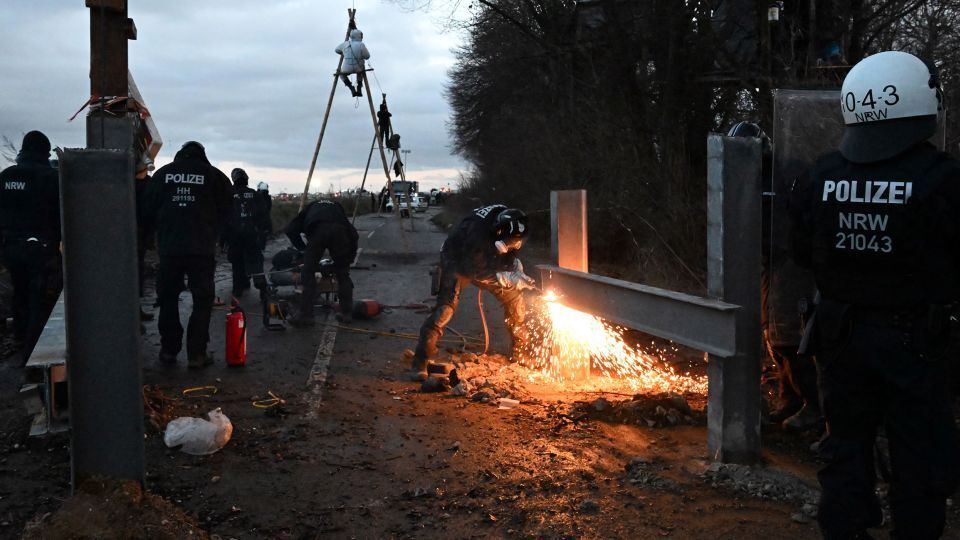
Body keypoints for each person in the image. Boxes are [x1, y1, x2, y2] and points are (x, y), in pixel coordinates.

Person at [789, 51, 960, 538]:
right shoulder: (942, 178)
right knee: (919, 458)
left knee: (844, 450)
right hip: (915, 343)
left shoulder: (822, 174)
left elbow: (803, 254)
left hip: (839, 337)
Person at [728, 121, 821, 431]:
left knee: (787, 334)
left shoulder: (789, 172)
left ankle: (814, 405)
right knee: (769, 330)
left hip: (792, 259)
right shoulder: (743, 174)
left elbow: (807, 216)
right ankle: (790, 397)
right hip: (768, 259)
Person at [410, 205, 535, 379]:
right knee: (444, 311)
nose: (515, 246)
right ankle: (420, 362)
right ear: (498, 234)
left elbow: (508, 253)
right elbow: (474, 271)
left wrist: (515, 268)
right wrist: (505, 278)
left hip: (486, 259)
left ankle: (520, 355)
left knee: (516, 303)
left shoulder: (509, 221)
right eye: (510, 243)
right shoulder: (477, 235)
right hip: (457, 261)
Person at [144, 141, 232, 368]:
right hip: (201, 250)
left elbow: (146, 210)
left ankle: (168, 351)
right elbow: (228, 211)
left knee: (168, 299)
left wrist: (153, 237)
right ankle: (197, 355)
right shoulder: (215, 177)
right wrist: (218, 235)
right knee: (202, 301)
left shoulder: (162, 175)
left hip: (170, 250)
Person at [0, 131, 62, 359]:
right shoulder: (50, 177)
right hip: (40, 248)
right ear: (44, 152)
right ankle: (33, 351)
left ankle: (19, 336)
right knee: (40, 298)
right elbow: (60, 214)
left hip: (10, 247)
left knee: (19, 291)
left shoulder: (6, 176)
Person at [285, 198, 359, 326]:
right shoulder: (337, 207)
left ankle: (306, 315)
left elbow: (290, 230)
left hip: (318, 230)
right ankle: (347, 313)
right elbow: (354, 235)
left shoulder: (310, 208)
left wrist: (303, 250)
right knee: (343, 274)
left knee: (308, 272)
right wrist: (349, 259)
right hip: (340, 232)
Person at [224, 168, 269, 298]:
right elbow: (264, 215)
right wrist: (264, 232)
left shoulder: (228, 194)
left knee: (237, 262)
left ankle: (238, 288)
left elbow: (224, 217)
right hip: (252, 234)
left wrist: (222, 239)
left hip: (235, 235)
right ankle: (262, 289)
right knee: (256, 261)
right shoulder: (254, 194)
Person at [335, 28, 370, 97]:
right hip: (358, 68)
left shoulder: (345, 44)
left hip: (346, 68)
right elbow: (367, 56)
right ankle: (359, 87)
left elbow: (336, 50)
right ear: (358, 36)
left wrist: (344, 52)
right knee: (361, 71)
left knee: (341, 74)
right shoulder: (361, 44)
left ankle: (351, 87)